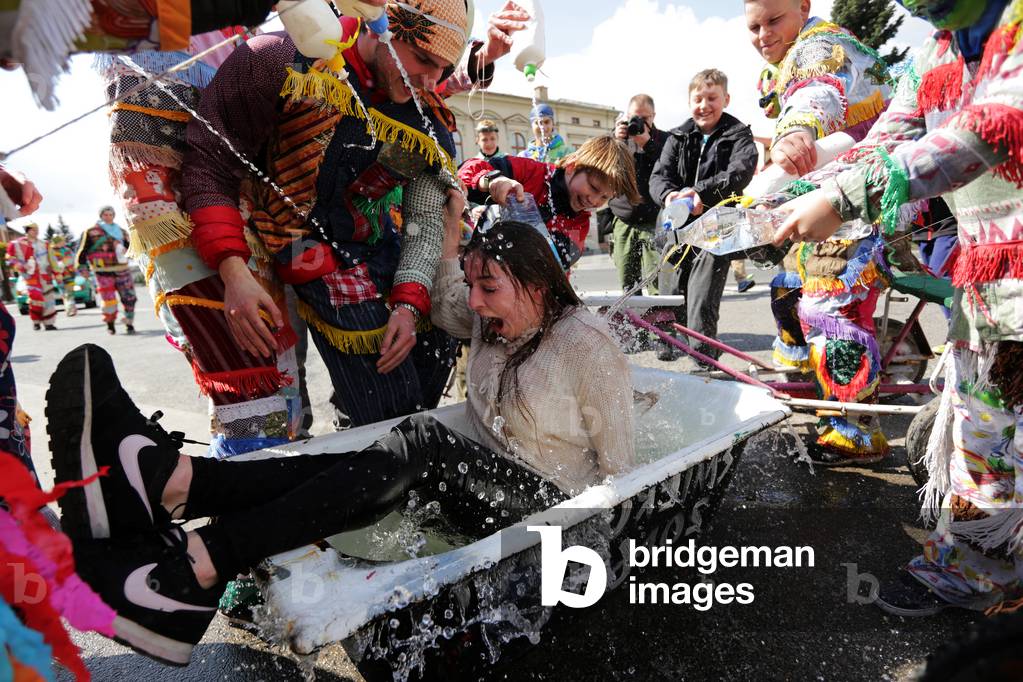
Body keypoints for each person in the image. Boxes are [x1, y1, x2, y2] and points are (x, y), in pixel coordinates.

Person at [48, 211, 636, 666]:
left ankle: (202, 556)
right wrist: (451, 217)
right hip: (474, 483)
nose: (475, 303)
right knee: (369, 461)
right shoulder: (488, 314)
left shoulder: (586, 347)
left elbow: (624, 475)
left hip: (547, 510)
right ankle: (174, 486)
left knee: (421, 441)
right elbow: (442, 285)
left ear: (538, 286)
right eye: (474, 287)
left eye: (490, 288)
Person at [770, 0, 1023, 614]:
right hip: (991, 279)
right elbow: (894, 136)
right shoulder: (940, 48)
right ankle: (972, 572)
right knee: (983, 428)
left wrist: (848, 196)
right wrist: (803, 189)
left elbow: (992, 124)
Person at [745, 0, 894, 464]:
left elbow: (817, 93)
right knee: (787, 285)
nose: (764, 34)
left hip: (871, 202)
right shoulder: (789, 57)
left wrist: (794, 132)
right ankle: (806, 369)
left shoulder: (820, 46)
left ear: (803, 7)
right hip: (834, 202)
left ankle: (852, 429)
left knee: (828, 302)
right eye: (754, 26)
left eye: (774, 20)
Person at [648, 69, 758, 362]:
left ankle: (703, 357)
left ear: (726, 98)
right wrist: (669, 196)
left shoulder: (738, 133)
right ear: (689, 101)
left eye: (712, 98)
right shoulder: (678, 135)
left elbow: (741, 170)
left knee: (702, 292)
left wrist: (701, 193)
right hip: (677, 222)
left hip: (716, 224)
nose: (704, 105)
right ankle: (668, 343)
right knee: (670, 285)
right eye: (698, 98)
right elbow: (659, 176)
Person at [460, 135, 640, 256]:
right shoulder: (531, 172)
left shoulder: (579, 224)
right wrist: (491, 181)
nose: (593, 201)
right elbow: (466, 169)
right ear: (572, 166)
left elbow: (557, 265)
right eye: (593, 187)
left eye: (604, 197)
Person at [610, 93, 669, 296]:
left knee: (658, 284)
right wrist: (616, 141)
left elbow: (672, 168)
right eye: (635, 117)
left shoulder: (665, 140)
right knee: (627, 284)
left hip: (654, 221)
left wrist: (647, 143)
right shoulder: (619, 140)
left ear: (654, 116)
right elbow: (603, 168)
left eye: (645, 118)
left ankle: (660, 326)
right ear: (626, 116)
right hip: (624, 220)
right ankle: (631, 326)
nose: (640, 122)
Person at [75, 219, 137, 335]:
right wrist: (83, 267)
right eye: (105, 214)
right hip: (102, 271)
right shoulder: (91, 232)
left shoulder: (120, 231)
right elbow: (82, 250)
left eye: (110, 214)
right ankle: (110, 324)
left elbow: (131, 248)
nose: (108, 216)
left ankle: (129, 322)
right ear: (101, 216)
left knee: (129, 297)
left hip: (122, 269)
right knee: (109, 300)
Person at [6, 222, 58, 330]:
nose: (36, 231)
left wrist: (57, 273)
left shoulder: (44, 244)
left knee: (49, 299)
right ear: (27, 230)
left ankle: (49, 323)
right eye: (33, 229)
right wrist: (21, 266)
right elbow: (9, 259)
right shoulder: (16, 244)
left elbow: (52, 259)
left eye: (37, 229)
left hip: (45, 275)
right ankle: (36, 321)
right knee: (35, 299)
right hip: (30, 276)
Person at [47, 234, 78, 317]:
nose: (64, 242)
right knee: (64, 292)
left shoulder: (67, 250)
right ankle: (70, 308)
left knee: (69, 292)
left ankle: (71, 308)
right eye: (62, 241)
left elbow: (73, 259)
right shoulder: (50, 251)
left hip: (69, 274)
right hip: (58, 275)